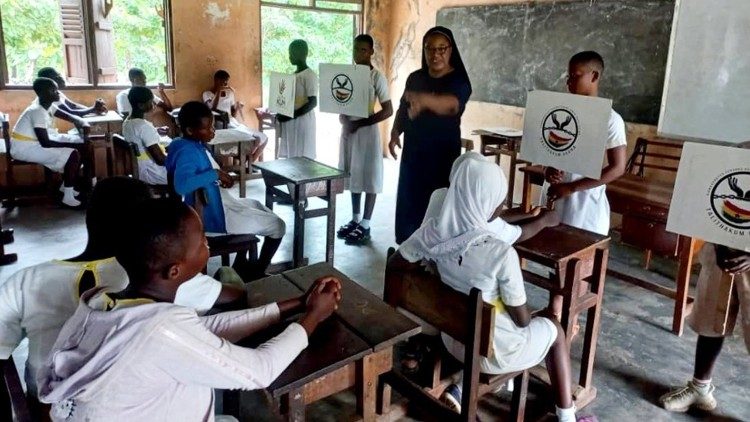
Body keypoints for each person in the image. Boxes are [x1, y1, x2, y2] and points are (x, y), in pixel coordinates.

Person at [36, 197, 342, 421]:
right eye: (202, 242)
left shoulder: (102, 302)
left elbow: (203, 331)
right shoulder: (158, 330)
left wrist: (297, 304)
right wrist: (313, 317)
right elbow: (258, 371)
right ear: (174, 271)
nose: (208, 244)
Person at [0, 178, 246, 418]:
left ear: (89, 218)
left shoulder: (24, 281)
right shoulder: (156, 279)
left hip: (50, 410)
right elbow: (235, 296)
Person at [390, 158, 592, 422]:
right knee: (555, 329)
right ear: (485, 202)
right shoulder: (500, 253)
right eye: (499, 199)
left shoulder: (431, 233)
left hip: (453, 340)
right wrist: (539, 316)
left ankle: (463, 386)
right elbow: (521, 320)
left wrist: (434, 282)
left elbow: (396, 264)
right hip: (491, 353)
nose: (501, 205)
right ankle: (567, 417)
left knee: (491, 315)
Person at [166, 101, 286, 279]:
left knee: (256, 204)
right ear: (190, 130)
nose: (212, 131)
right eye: (207, 128)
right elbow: (181, 185)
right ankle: (258, 271)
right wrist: (215, 175)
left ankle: (241, 266)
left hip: (216, 204)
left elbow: (195, 173)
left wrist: (217, 176)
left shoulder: (181, 144)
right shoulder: (188, 152)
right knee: (278, 226)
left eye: (212, 126)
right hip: (214, 217)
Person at [389, 26, 472, 244]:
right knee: (410, 203)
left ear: (450, 50)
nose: (435, 54)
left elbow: (453, 105)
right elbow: (403, 106)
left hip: (442, 156)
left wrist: (424, 100)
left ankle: (434, 253)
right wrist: (396, 131)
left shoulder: (459, 81)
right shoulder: (415, 78)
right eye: (430, 49)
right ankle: (408, 249)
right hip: (414, 154)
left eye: (441, 49)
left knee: (437, 204)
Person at [543, 51, 627, 236]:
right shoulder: (561, 114)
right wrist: (549, 170)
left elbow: (618, 167)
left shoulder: (611, 120)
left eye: (576, 76)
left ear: (594, 76)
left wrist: (571, 187)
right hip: (556, 196)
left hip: (584, 204)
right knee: (550, 247)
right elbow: (554, 152)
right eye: (568, 76)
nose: (569, 82)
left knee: (578, 256)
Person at [424, 152, 560, 245]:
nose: (501, 204)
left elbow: (490, 218)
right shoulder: (482, 230)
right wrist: (544, 221)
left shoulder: (439, 195)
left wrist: (526, 214)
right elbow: (519, 234)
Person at [336, 34, 393, 245]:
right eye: (355, 49)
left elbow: (388, 110)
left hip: (367, 133)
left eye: (362, 50)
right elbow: (341, 100)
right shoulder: (348, 75)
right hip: (349, 132)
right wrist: (342, 116)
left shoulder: (376, 77)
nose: (357, 53)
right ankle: (355, 219)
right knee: (354, 174)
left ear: (370, 52)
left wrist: (358, 123)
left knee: (369, 176)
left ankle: (366, 224)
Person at [10, 78, 83, 207]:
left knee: (79, 148)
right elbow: (45, 143)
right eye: (53, 90)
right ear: (42, 93)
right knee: (73, 153)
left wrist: (78, 121)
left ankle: (66, 188)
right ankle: (67, 197)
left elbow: (70, 115)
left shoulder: (48, 106)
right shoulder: (37, 111)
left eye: (56, 89)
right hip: (24, 148)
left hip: (33, 144)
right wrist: (73, 145)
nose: (57, 92)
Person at [202, 69, 268, 162]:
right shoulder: (207, 94)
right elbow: (212, 108)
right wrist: (219, 92)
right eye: (222, 81)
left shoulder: (230, 93)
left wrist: (237, 108)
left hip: (232, 122)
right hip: (220, 124)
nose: (225, 83)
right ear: (216, 80)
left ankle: (250, 163)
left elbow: (233, 114)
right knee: (254, 139)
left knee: (263, 138)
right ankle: (247, 163)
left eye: (226, 81)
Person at [277, 39, 318, 159]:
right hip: (291, 120)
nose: (290, 56)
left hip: (302, 120)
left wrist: (291, 115)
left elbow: (313, 102)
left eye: (292, 53)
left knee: (302, 156)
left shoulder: (309, 75)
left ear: (303, 54)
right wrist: (281, 112)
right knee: (292, 155)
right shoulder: (293, 75)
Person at [122, 87, 169, 185]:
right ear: (141, 105)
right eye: (151, 102)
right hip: (153, 173)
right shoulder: (144, 126)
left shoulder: (127, 122)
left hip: (138, 169)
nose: (153, 105)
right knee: (188, 170)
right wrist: (177, 157)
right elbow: (160, 160)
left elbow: (137, 135)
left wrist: (155, 131)